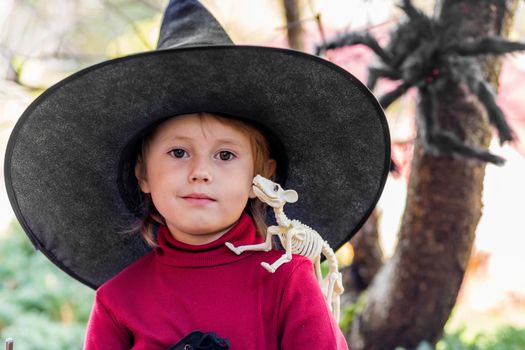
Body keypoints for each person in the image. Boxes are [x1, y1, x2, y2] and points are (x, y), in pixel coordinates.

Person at [4, 0, 390, 349]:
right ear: (143, 174)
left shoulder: (288, 282)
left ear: (261, 178)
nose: (200, 172)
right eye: (178, 152)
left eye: (225, 155)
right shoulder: (118, 301)